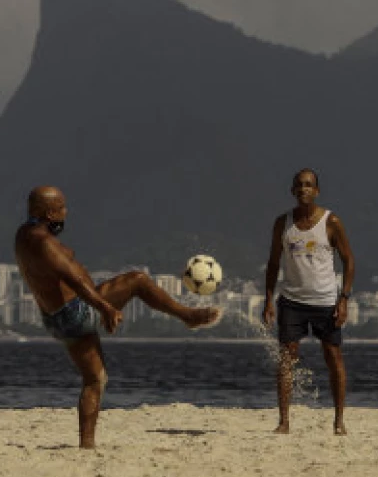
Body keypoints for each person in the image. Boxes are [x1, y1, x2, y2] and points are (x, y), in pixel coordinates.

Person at [14, 186, 222, 449]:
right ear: (49, 212)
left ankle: (86, 445)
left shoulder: (23, 236)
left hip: (55, 319)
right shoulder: (45, 243)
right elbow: (76, 281)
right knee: (138, 280)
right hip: (76, 312)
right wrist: (106, 308)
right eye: (62, 208)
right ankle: (187, 315)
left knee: (94, 379)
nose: (66, 212)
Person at [262, 168, 355, 435]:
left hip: (325, 301)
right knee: (286, 358)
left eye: (309, 185)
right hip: (291, 301)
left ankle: (338, 420)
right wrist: (268, 300)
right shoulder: (283, 223)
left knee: (333, 356)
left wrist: (344, 298)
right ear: (292, 191)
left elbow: (349, 261)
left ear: (316, 190)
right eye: (299, 185)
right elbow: (272, 263)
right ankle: (284, 421)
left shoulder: (331, 221)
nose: (304, 189)